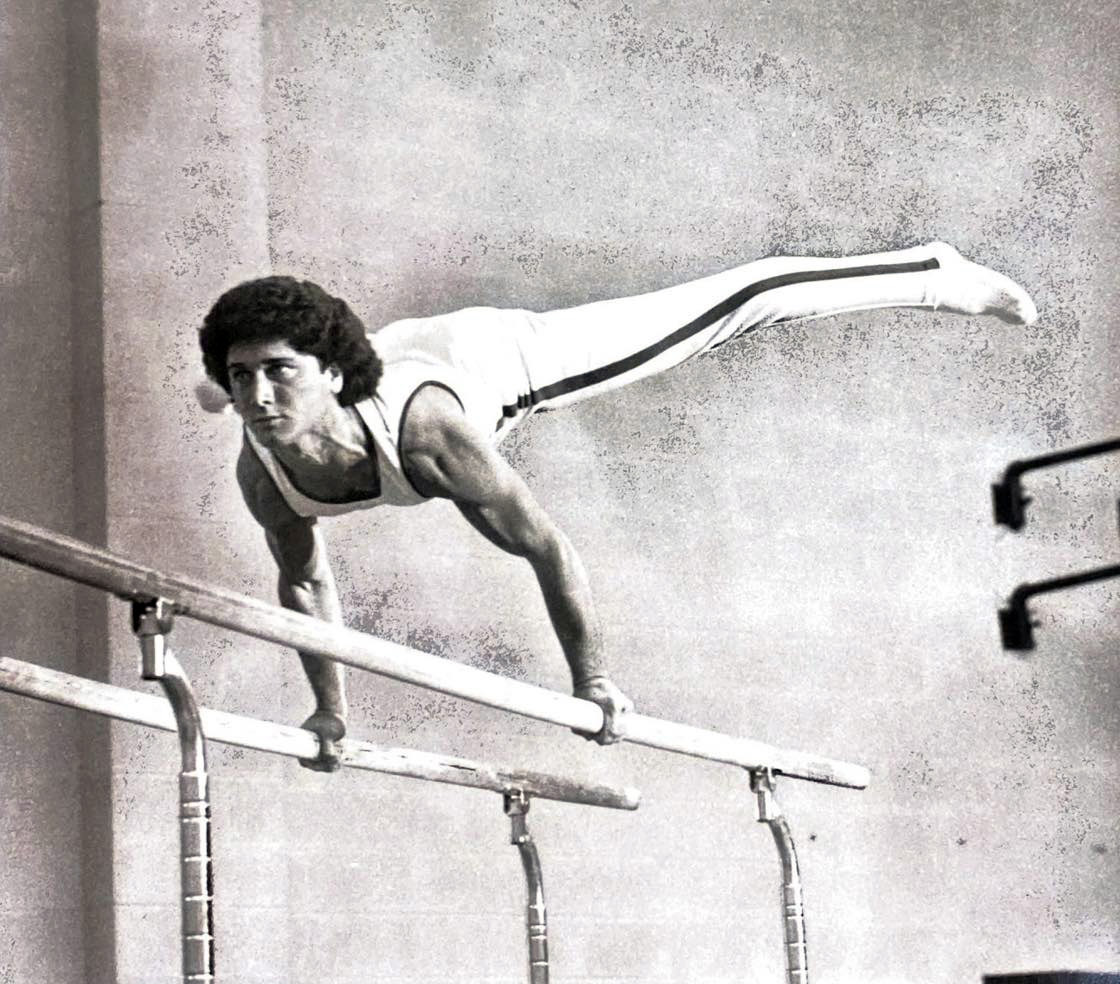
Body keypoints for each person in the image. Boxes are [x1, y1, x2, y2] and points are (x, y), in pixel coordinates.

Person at [197, 240, 1037, 768]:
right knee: (275, 396)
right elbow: (305, 588)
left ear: (329, 375)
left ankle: (934, 273)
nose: (258, 397)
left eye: (276, 370)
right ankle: (245, 366)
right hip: (376, 363)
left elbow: (547, 549)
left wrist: (592, 680)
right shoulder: (263, 470)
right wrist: (332, 712)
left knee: (733, 307)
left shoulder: (430, 435)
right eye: (243, 377)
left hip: (487, 360)